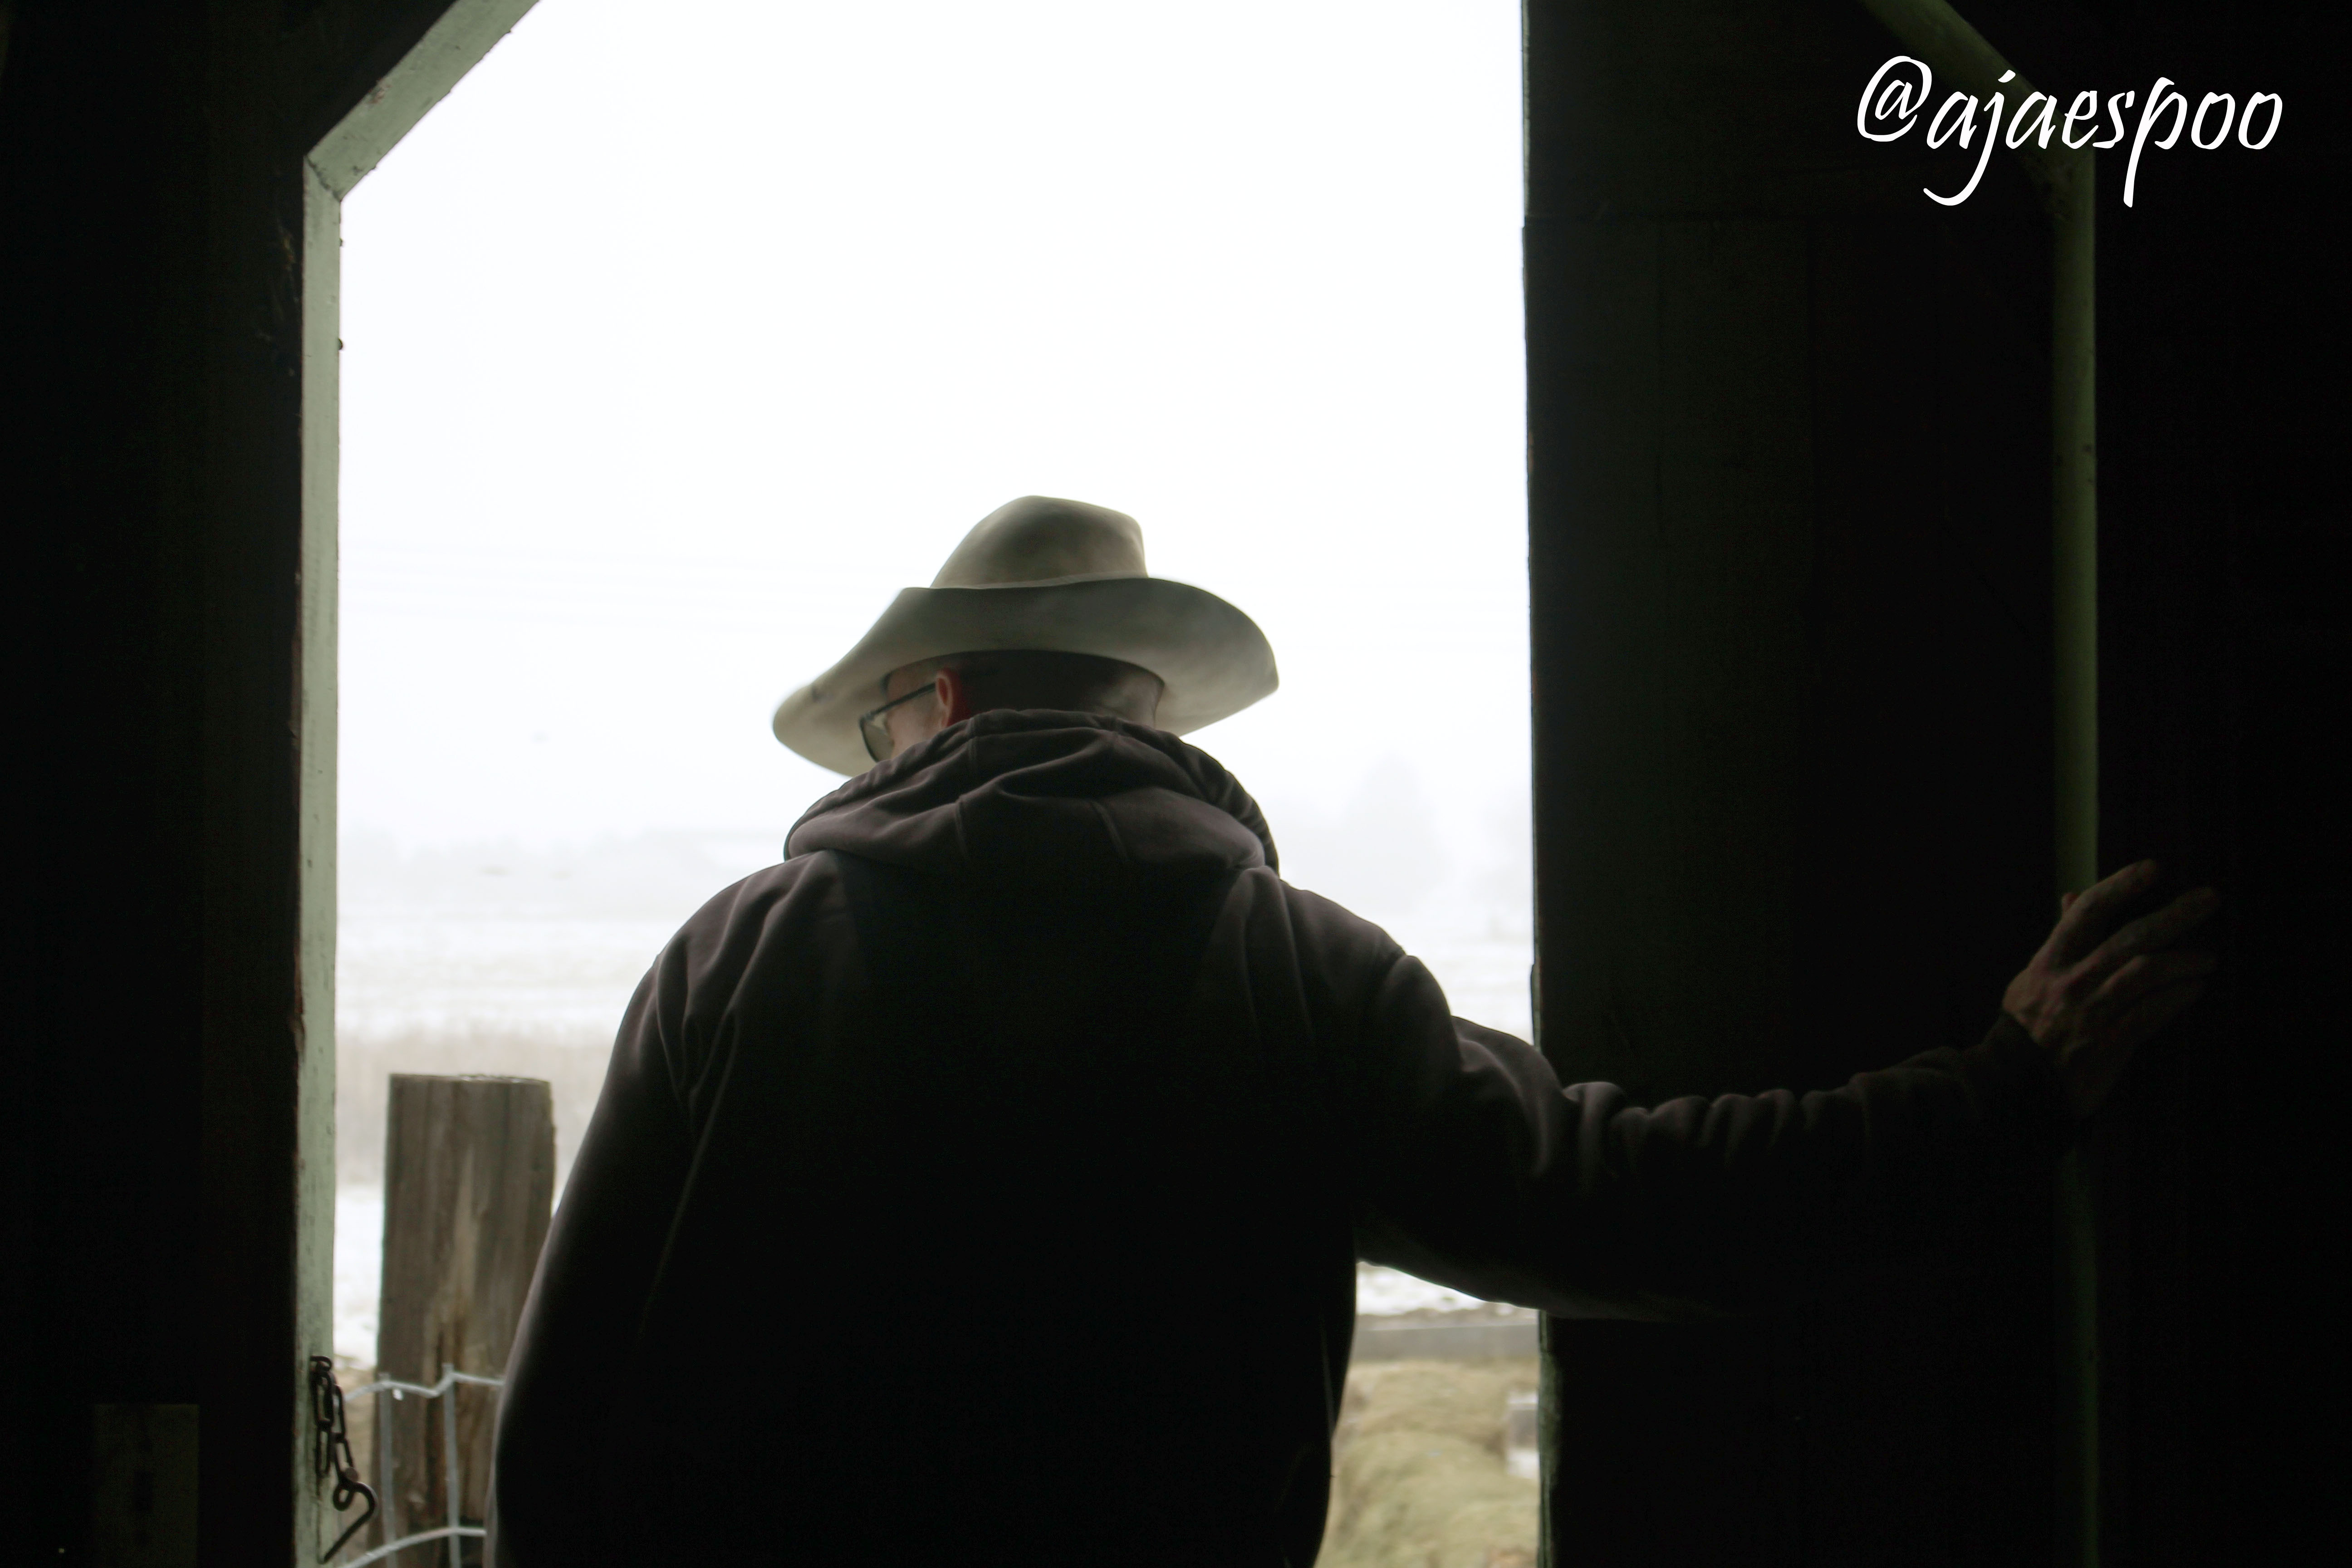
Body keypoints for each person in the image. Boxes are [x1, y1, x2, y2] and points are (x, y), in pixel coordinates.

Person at [491, 495, 2218, 1567]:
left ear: (935, 703)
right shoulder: (1301, 975)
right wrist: (2004, 1088)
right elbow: (1636, 1201)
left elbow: (560, 1432)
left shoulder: (738, 959)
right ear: (1147, 711)